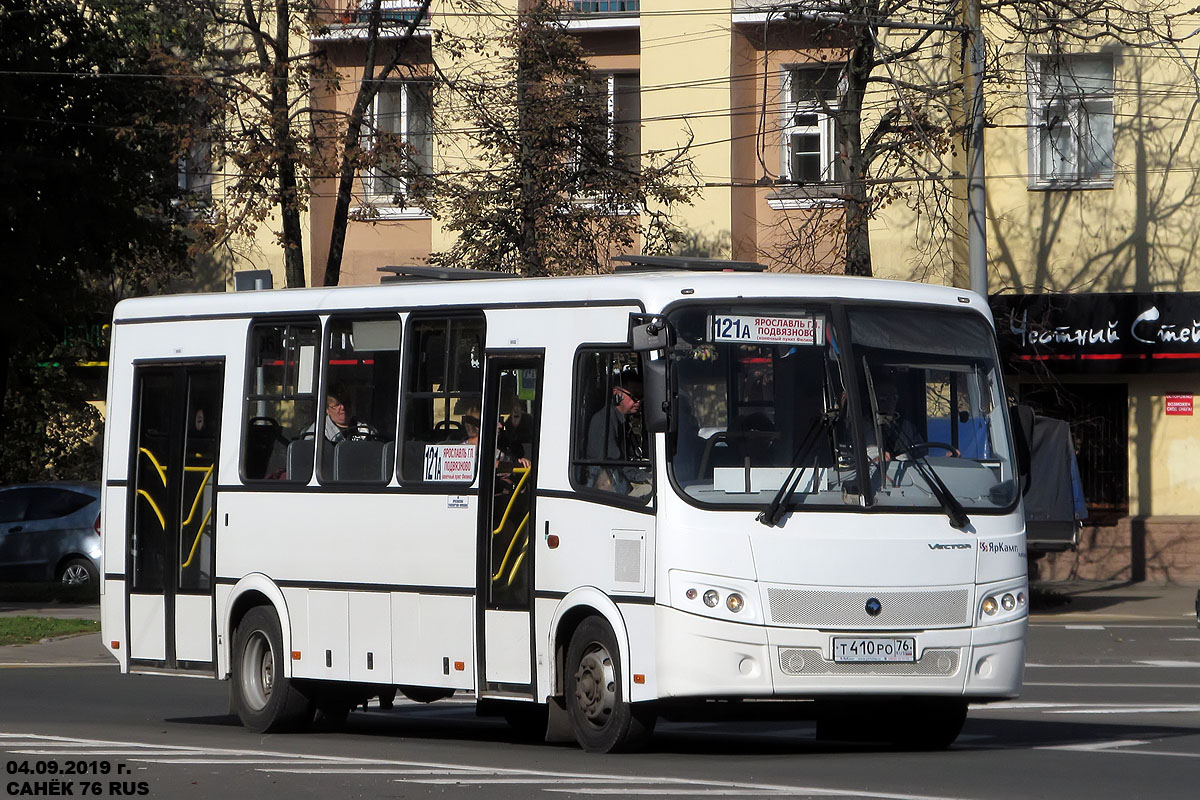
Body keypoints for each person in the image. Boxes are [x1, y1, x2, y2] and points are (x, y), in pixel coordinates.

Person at [585, 369, 651, 496]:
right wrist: (644, 477)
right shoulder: (603, 421)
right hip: (611, 488)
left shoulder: (623, 421)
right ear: (617, 394)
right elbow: (614, 465)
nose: (639, 401)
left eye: (641, 397)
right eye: (635, 396)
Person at [311, 389, 378, 443]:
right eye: (337, 405)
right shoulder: (318, 430)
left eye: (346, 403)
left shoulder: (365, 428)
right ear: (327, 410)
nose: (343, 407)